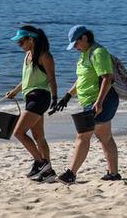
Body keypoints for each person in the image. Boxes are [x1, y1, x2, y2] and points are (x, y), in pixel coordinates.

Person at [50, 25, 121, 184]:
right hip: (93, 101)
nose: (75, 47)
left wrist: (99, 102)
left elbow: (107, 78)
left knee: (83, 136)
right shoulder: (85, 54)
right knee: (105, 137)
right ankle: (113, 174)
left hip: (100, 101)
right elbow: (82, 80)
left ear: (84, 37)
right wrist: (68, 96)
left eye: (76, 43)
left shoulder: (98, 52)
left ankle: (71, 174)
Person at [6, 25, 58, 182]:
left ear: (31, 39)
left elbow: (51, 78)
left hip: (40, 97)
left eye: (21, 41)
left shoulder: (44, 55)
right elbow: (26, 79)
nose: (19, 45)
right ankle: (48, 172)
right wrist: (14, 92)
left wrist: (55, 98)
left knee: (18, 132)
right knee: (38, 136)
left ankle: (40, 163)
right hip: (30, 97)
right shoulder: (28, 55)